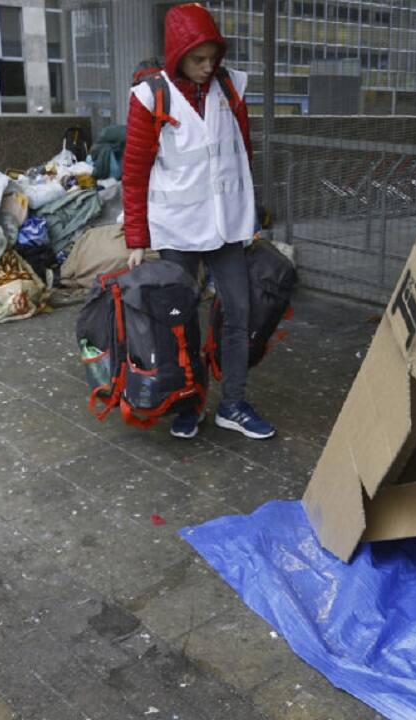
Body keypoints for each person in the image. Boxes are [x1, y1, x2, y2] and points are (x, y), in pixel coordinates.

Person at [120, 3, 274, 441]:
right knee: (179, 320)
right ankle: (188, 403)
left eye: (213, 58)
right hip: (177, 228)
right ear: (177, 55)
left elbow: (241, 154)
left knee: (239, 314)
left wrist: (251, 217)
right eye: (198, 59)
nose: (208, 67)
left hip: (226, 225)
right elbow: (134, 172)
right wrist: (137, 237)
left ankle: (233, 404)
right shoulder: (151, 96)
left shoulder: (231, 88)